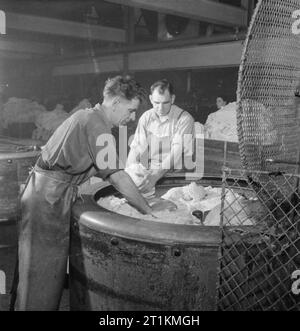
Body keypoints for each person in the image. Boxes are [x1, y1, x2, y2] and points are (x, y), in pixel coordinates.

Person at [12, 75, 168, 311]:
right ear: (115, 102)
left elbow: (96, 166)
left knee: (37, 272)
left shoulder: (89, 117)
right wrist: (147, 208)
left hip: (49, 192)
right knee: (40, 275)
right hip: (47, 198)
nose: (132, 117)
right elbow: (116, 175)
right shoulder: (96, 124)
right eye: (131, 109)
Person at [126, 79, 195, 196]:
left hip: (178, 177)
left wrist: (154, 177)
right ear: (151, 99)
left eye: (165, 103)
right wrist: (128, 174)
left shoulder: (184, 119)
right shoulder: (146, 117)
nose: (160, 108)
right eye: (157, 103)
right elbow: (136, 148)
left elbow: (176, 154)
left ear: (172, 99)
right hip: (153, 173)